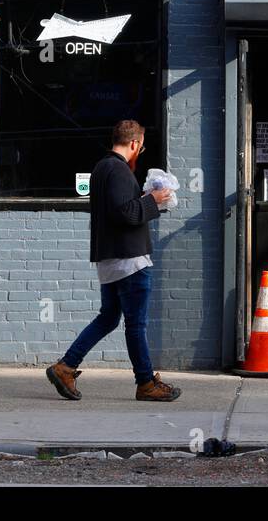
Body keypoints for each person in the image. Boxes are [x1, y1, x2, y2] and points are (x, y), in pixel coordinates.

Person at [46, 120, 180, 403]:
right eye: (140, 148)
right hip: (129, 260)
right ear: (134, 143)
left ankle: (66, 367)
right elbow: (127, 214)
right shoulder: (117, 170)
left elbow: (121, 210)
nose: (139, 152)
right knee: (136, 324)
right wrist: (153, 200)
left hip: (111, 260)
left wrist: (144, 200)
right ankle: (145, 383)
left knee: (108, 318)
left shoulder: (101, 168)